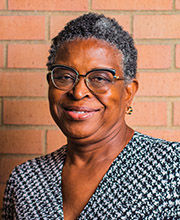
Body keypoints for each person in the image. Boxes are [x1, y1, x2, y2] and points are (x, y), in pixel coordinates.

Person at [2, 13, 179, 219]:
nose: (78, 92)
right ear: (50, 83)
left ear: (128, 93)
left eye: (99, 78)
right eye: (65, 76)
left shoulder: (171, 168)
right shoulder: (25, 181)